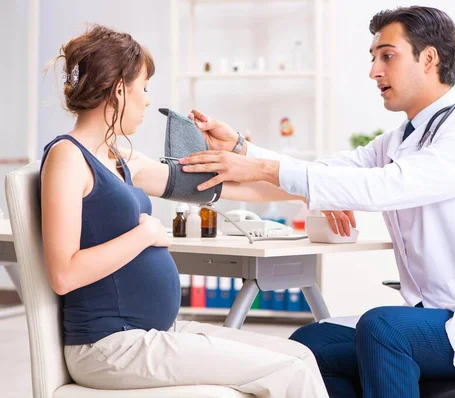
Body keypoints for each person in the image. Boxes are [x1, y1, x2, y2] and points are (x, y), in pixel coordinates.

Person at [178, 6, 455, 398]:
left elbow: (384, 187)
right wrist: (242, 149)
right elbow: (325, 171)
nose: (374, 71)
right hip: (437, 319)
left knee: (384, 328)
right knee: (308, 345)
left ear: (429, 59)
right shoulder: (400, 139)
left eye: (387, 56)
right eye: (373, 58)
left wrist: (264, 169)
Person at [40, 24, 328, 398]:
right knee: (288, 373)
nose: (146, 101)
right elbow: (63, 274)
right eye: (144, 88)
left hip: (155, 333)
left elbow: (220, 184)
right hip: (111, 347)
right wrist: (144, 236)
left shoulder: (119, 158)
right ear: (118, 90)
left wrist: (310, 193)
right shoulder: (67, 157)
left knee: (300, 356)